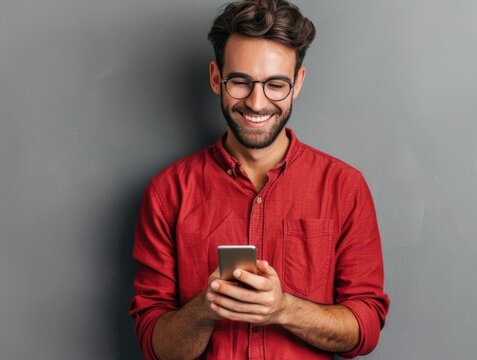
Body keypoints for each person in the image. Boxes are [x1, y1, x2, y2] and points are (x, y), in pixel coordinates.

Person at [128, 1, 390, 359]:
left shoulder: (344, 187)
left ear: (297, 84)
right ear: (216, 78)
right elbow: (155, 344)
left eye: (275, 85)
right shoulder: (167, 193)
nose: (256, 102)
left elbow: (366, 327)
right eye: (240, 81)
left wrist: (284, 309)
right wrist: (206, 307)